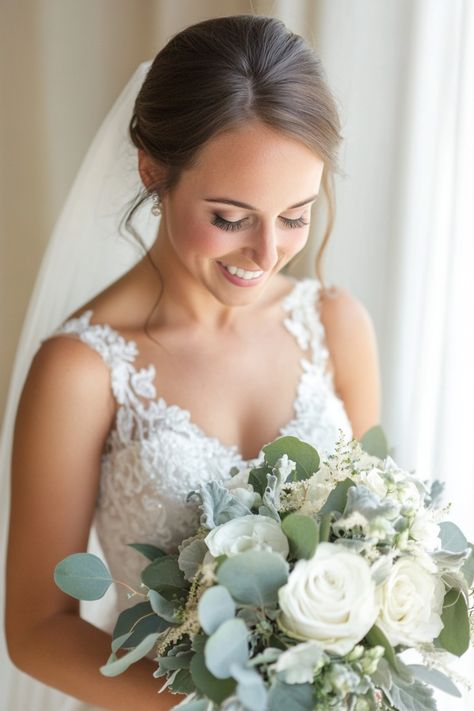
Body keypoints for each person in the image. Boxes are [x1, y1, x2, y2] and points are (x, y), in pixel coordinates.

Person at [3, 14, 381, 711]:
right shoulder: (83, 369)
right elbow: (35, 628)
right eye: (232, 217)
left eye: (295, 215)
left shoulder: (337, 324)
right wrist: (219, 701)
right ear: (154, 169)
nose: (266, 255)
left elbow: (370, 546)